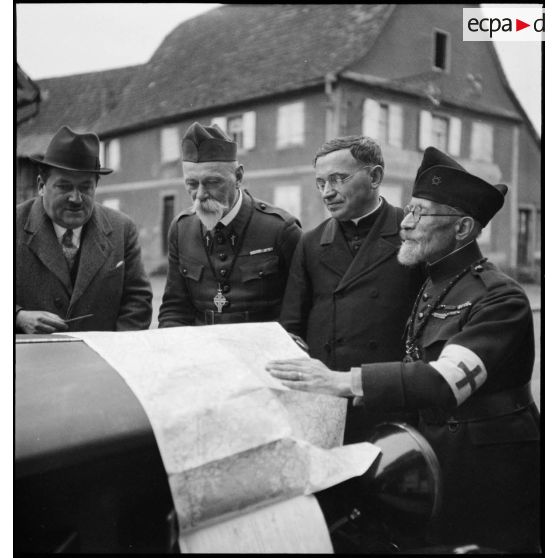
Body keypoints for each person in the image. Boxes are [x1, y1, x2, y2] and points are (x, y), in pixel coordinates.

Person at [267, 146, 540, 552]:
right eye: (408, 210)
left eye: (420, 214)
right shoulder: (434, 284)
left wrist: (344, 380)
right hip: (435, 458)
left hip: (486, 472)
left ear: (463, 229)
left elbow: (447, 381)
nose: (406, 224)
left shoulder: (501, 298)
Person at [279, 135, 424, 443]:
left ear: (375, 177)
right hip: (326, 402)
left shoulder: (411, 234)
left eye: (338, 179)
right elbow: (291, 328)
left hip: (386, 399)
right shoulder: (310, 243)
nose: (327, 193)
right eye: (320, 183)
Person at [158, 122, 301, 326]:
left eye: (213, 182)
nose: (200, 195)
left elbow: (299, 311)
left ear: (238, 177)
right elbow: (174, 308)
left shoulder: (280, 229)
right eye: (191, 184)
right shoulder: (181, 229)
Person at [16, 126, 153, 333]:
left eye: (85, 187)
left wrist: (113, 352)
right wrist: (17, 317)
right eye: (64, 186)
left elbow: (138, 302)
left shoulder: (122, 229)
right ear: (41, 185)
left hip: (99, 361)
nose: (76, 198)